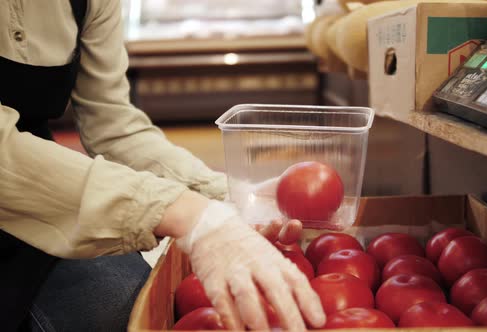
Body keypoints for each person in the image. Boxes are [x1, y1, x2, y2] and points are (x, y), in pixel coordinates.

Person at [0, 0, 325, 331]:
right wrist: (182, 212)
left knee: (123, 303)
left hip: (50, 196)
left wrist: (222, 197)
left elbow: (113, 125)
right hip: (18, 188)